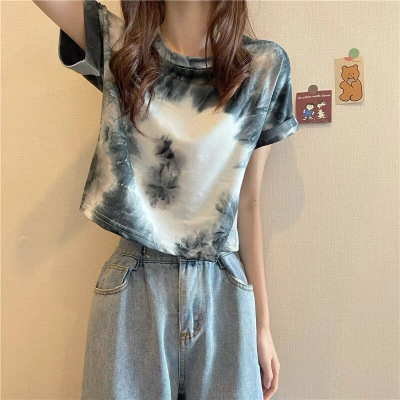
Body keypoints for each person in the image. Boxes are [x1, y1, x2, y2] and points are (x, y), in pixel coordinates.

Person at [33, 0, 299, 399]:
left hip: (223, 288)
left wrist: (263, 326)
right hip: (134, 285)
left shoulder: (264, 67)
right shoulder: (123, 52)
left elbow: (249, 203)